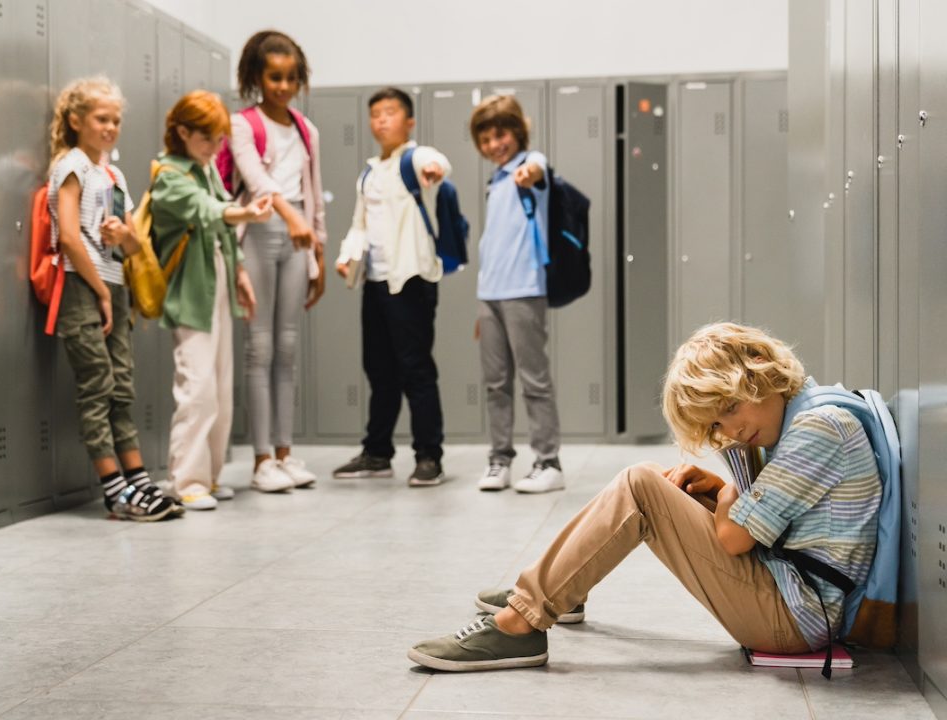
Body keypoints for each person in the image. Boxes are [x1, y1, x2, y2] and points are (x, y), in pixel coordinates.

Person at [408, 322, 882, 671]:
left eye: (731, 409)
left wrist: (732, 490)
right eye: (717, 424)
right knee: (659, 478)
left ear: (763, 373)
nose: (731, 430)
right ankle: (560, 591)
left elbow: (736, 538)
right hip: (789, 591)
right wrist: (721, 489)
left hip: (798, 617)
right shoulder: (807, 418)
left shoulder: (818, 429)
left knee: (642, 485)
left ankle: (522, 623)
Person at [46, 76, 177, 521]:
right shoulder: (71, 166)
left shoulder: (113, 174)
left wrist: (125, 237)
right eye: (102, 118)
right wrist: (101, 291)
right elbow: (67, 235)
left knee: (122, 385)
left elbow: (134, 244)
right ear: (76, 120)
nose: (110, 127)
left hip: (113, 285)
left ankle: (139, 479)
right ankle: (115, 490)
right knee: (97, 385)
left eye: (116, 120)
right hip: (83, 287)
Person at [151, 90, 272, 511]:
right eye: (207, 138)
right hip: (190, 290)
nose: (215, 148)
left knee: (220, 386)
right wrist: (248, 214)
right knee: (197, 386)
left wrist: (240, 272)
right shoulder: (169, 173)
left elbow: (220, 218)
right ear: (182, 132)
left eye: (220, 139)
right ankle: (186, 480)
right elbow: (207, 211)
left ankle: (211, 475)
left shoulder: (204, 169)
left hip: (217, 281)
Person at [333, 87, 450, 487]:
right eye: (376, 114)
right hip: (376, 282)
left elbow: (438, 162)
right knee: (379, 371)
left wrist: (435, 170)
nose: (382, 120)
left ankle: (429, 456)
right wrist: (348, 254)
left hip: (411, 280)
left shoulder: (415, 160)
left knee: (416, 369)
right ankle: (378, 452)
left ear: (409, 121)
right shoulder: (368, 172)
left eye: (390, 112)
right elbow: (359, 223)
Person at [230, 30, 327, 493]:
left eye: (291, 78)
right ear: (256, 77)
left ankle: (286, 453)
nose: (283, 86)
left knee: (287, 348)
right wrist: (292, 219)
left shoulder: (307, 130)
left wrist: (318, 254)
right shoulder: (242, 124)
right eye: (274, 77)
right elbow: (256, 179)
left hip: (298, 239)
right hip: (263, 229)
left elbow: (314, 195)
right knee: (260, 347)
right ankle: (262, 459)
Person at [469, 95, 563, 494]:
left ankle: (548, 462)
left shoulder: (529, 166)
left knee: (533, 381)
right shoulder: (495, 180)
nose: (495, 144)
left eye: (502, 134)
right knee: (496, 382)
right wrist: (482, 302)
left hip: (524, 291)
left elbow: (539, 169)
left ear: (518, 134)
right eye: (486, 138)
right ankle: (500, 459)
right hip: (490, 294)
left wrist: (529, 172)